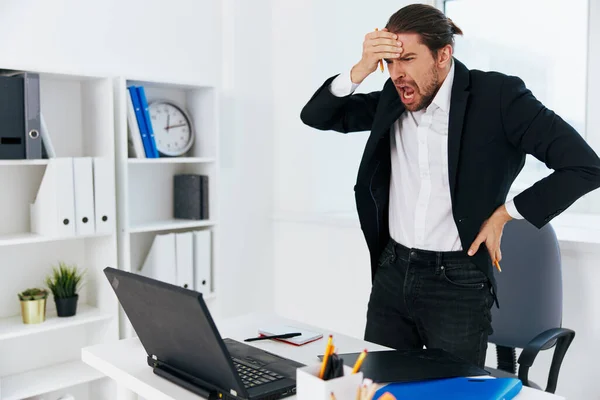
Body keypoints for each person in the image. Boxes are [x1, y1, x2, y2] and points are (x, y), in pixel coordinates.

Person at [300, 3, 600, 367]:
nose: (397, 74)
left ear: (443, 55)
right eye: (391, 62)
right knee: (379, 388)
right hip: (392, 274)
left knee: (453, 392)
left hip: (457, 283)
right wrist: (361, 68)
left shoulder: (499, 98)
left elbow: (585, 166)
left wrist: (507, 213)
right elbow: (316, 115)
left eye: (408, 59)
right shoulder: (394, 99)